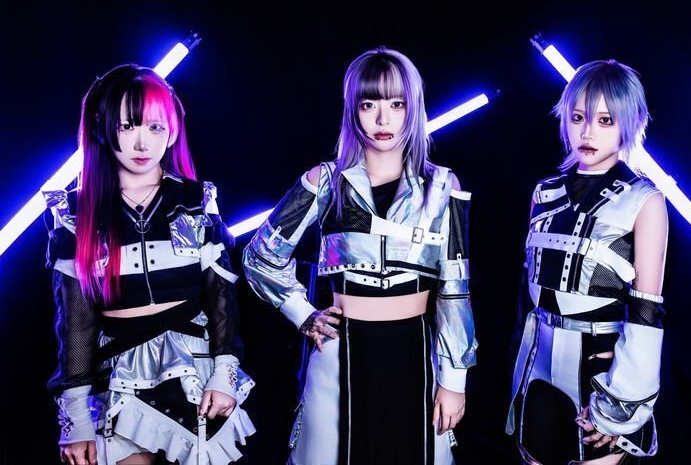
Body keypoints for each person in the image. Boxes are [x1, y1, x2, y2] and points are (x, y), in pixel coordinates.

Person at [243, 46, 478, 465]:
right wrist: (303, 314)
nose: (383, 119)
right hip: (340, 353)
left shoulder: (442, 186)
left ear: (413, 108)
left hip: (415, 353)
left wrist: (454, 379)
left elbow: (454, 289)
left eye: (396, 104)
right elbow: (260, 256)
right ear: (353, 109)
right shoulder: (325, 181)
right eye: (369, 104)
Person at [45, 63, 256, 465]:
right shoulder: (76, 214)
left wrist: (224, 374)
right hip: (118, 377)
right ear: (103, 128)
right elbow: (75, 322)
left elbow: (222, 298)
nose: (143, 143)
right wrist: (76, 417)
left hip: (193, 369)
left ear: (173, 130)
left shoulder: (194, 202)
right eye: (128, 127)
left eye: (156, 127)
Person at [505, 59, 668, 464]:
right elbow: (528, 294)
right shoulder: (544, 193)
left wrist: (621, 402)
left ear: (630, 122)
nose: (587, 132)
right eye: (578, 117)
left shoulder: (645, 201)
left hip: (600, 372)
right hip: (537, 365)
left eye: (605, 120)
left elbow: (646, 312)